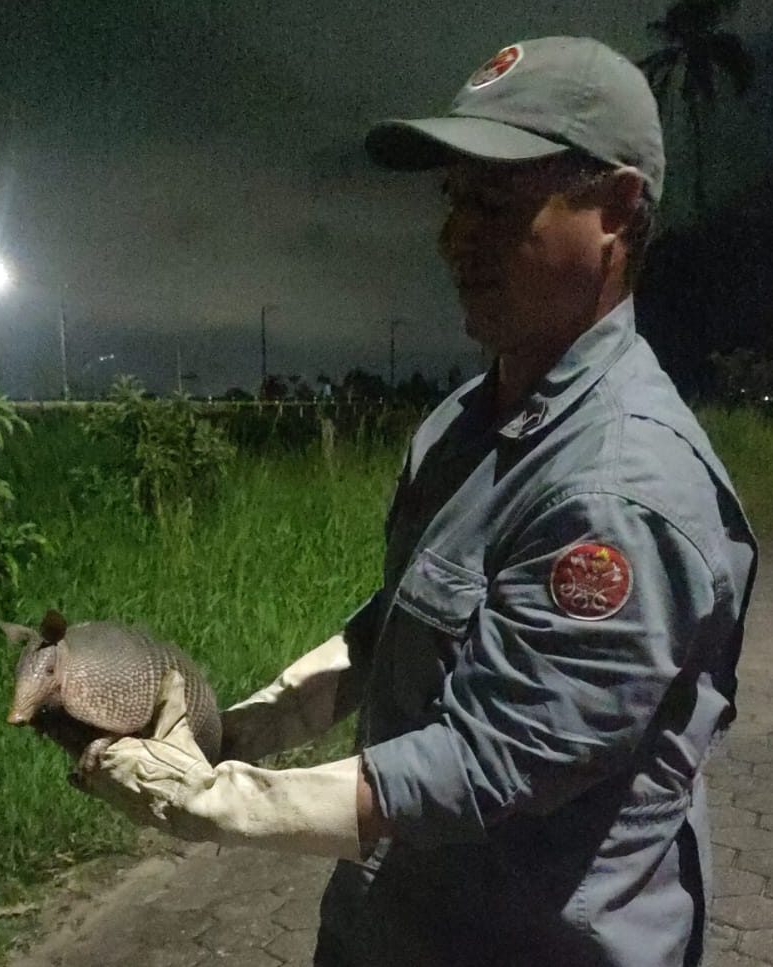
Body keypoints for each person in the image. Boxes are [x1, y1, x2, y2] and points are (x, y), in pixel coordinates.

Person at [86, 35, 757, 967]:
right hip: (392, 923)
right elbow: (401, 622)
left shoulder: (622, 491)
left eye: (498, 200)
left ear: (615, 209)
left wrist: (216, 802)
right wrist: (246, 724)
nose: (454, 236)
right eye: (453, 198)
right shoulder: (464, 423)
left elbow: (484, 763)